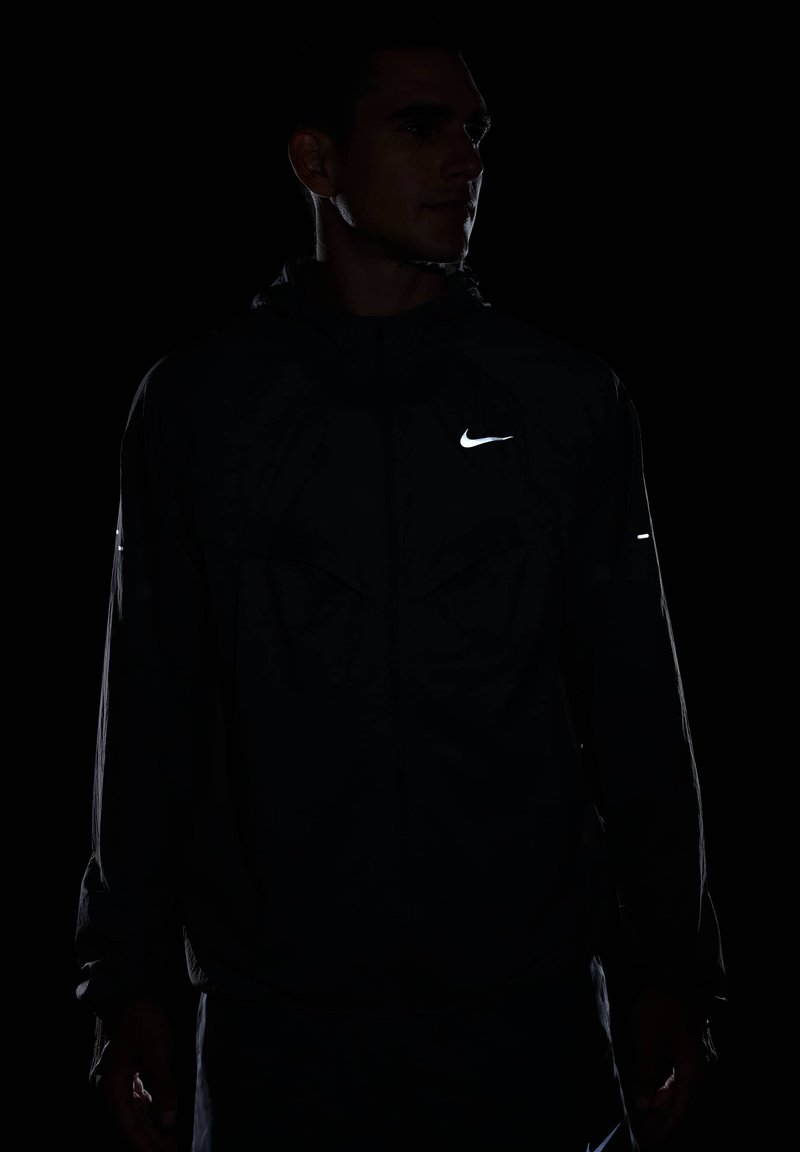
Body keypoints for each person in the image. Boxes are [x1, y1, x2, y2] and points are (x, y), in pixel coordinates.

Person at [75, 22, 726, 1152]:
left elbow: (635, 703)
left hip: (522, 1019)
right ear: (316, 160)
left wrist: (675, 966)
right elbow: (148, 712)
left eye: (474, 131)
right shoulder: (197, 410)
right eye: (421, 127)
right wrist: (122, 984)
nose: (464, 159)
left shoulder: (565, 401)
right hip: (281, 1032)